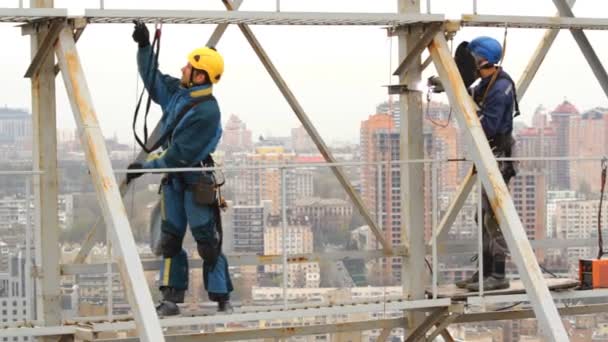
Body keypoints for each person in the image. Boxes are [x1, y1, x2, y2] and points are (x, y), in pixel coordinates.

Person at [127, 21, 233, 316]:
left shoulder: (208, 112)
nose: (183, 69)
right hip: (176, 181)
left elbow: (180, 155)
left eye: (189, 66)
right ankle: (171, 298)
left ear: (200, 75)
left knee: (207, 239)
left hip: (195, 178)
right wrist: (144, 46)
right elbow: (153, 79)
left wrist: (145, 166)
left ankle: (222, 297)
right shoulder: (179, 94)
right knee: (170, 237)